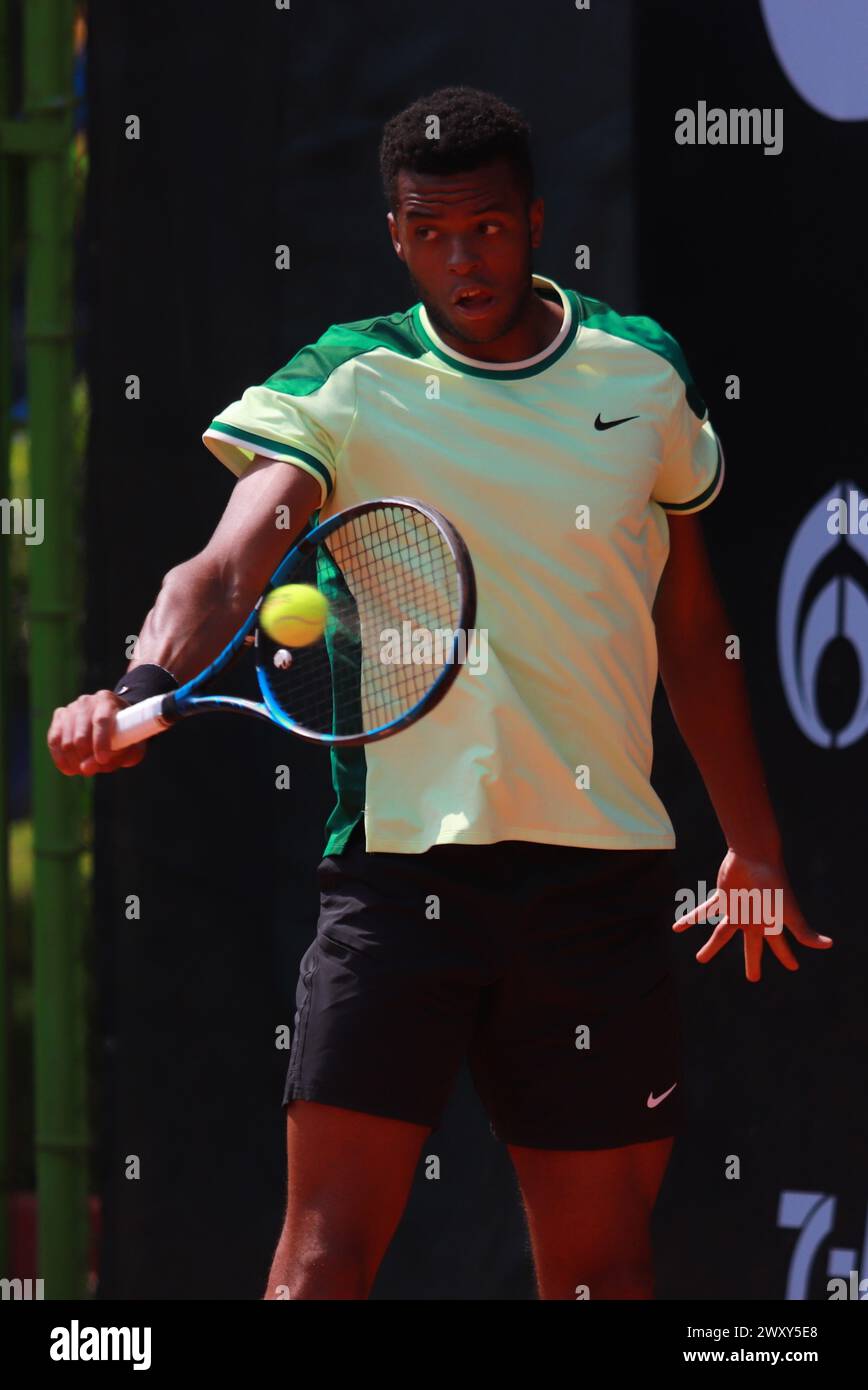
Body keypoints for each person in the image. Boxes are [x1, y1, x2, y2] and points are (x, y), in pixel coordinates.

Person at [47, 86, 832, 1300]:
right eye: (427, 231)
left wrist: (754, 844)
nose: (459, 259)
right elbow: (221, 562)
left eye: (487, 229)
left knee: (601, 1273)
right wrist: (144, 678)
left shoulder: (642, 372)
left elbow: (691, 623)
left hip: (599, 880)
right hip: (401, 877)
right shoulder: (349, 381)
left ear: (533, 220)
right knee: (320, 1262)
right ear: (396, 232)